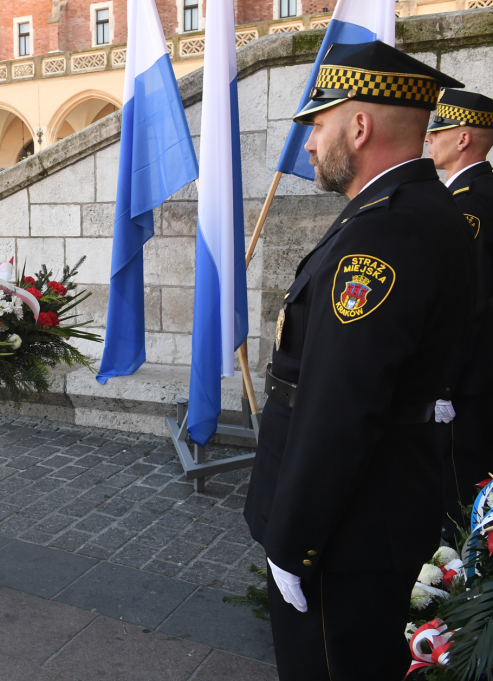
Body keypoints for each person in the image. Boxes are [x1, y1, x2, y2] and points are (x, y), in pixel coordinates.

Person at [242, 42, 475, 680]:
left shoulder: (386, 233)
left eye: (319, 124)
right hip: (376, 516)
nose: (310, 145)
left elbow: (341, 406)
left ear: (361, 125)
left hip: (346, 538)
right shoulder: (416, 212)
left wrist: (295, 545)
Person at [424, 88, 493, 542]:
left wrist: (445, 385)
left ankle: (454, 598)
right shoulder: (476, 193)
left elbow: (470, 302)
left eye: (438, 130)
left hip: (466, 385)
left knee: (458, 493)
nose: (429, 140)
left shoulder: (469, 204)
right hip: (475, 377)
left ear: (464, 137)